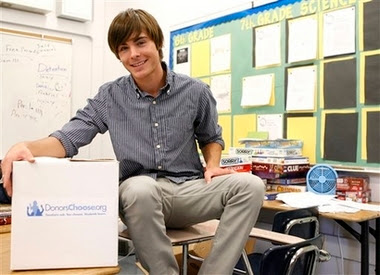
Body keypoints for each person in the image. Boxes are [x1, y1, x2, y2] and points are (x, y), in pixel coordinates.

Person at [1, 9, 265, 274]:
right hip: (139, 197)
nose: (134, 54)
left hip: (190, 191)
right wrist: (25, 147)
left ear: (157, 43)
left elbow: (211, 137)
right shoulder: (110, 96)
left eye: (140, 42)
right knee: (140, 188)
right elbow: (69, 137)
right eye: (124, 48)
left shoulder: (195, 91)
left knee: (251, 185)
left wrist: (213, 164)